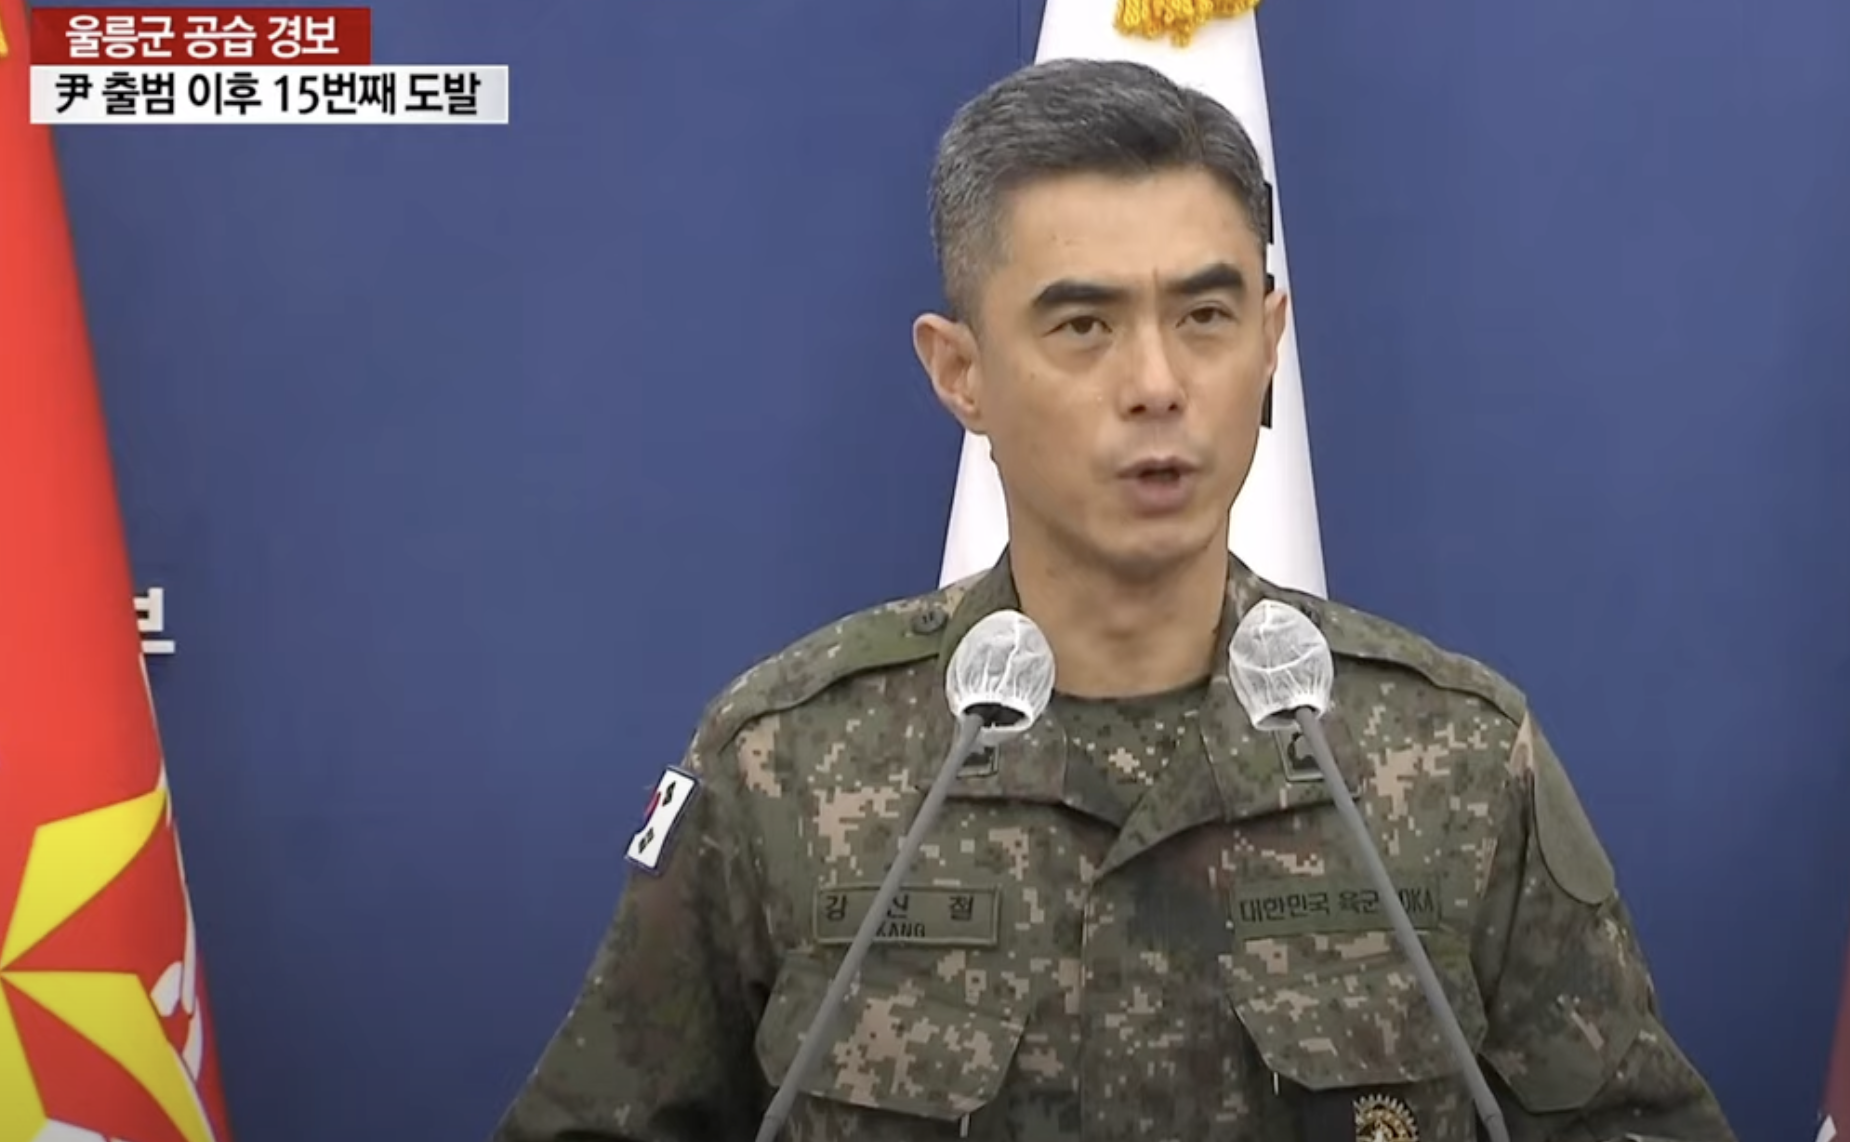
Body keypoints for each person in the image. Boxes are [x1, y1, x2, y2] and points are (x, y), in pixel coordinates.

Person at [488, 58, 1736, 1142]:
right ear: (960, 372)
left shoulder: (1453, 758)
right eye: (1083, 325)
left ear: (1268, 341)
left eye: (1204, 314)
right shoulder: (783, 764)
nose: (1156, 381)